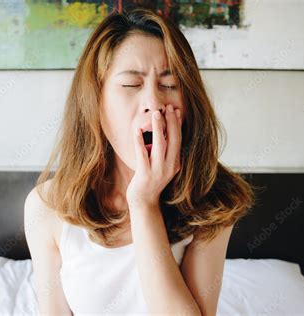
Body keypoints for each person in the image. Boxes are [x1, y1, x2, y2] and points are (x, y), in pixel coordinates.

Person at [24, 7, 254, 315]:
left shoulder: (213, 200)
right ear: (95, 101)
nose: (154, 104)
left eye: (170, 85)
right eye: (131, 85)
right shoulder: (47, 206)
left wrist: (143, 203)